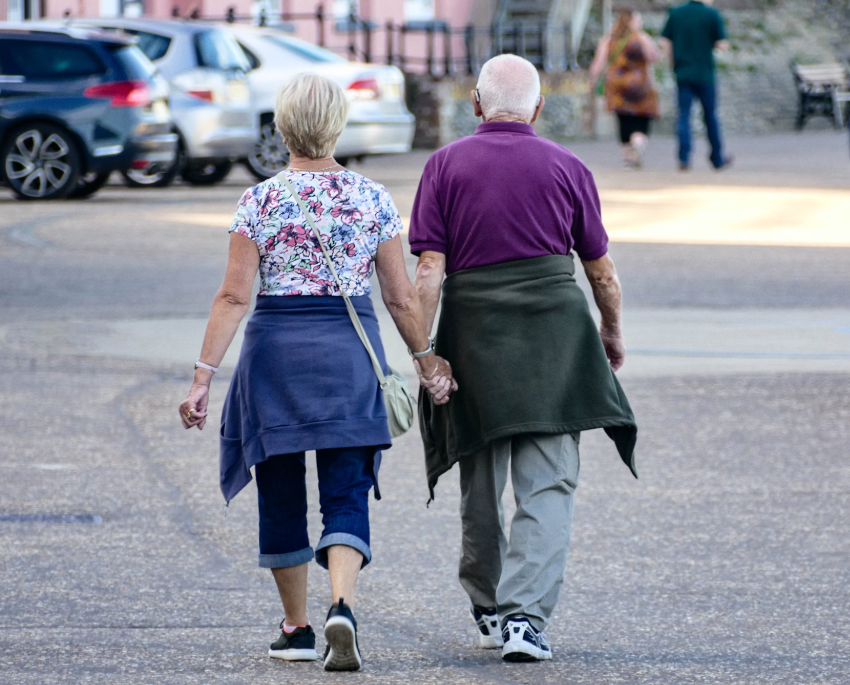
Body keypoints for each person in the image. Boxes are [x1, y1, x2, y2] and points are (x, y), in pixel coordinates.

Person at [178, 74, 455, 672]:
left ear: (282, 128)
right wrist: (426, 361)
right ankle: (343, 607)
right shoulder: (373, 198)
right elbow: (401, 298)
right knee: (347, 491)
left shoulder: (259, 201)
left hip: (274, 363)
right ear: (338, 126)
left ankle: (297, 629)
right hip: (348, 360)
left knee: (280, 493)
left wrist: (202, 377)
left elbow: (234, 297)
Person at [409, 54, 638, 663]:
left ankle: (488, 607)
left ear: (476, 105)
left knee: (480, 479)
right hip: (554, 341)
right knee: (549, 481)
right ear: (538, 108)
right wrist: (611, 332)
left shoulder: (444, 166)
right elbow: (602, 272)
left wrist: (425, 353)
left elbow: (429, 271)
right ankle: (524, 621)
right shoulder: (568, 167)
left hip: (473, 336)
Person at [660, 0, 733, 170]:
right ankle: (717, 157)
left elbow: (664, 42)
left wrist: (673, 63)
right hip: (705, 74)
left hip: (683, 73)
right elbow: (722, 44)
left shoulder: (676, 13)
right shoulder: (711, 14)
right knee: (710, 116)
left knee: (684, 115)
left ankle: (684, 157)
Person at [589, 8, 660, 168]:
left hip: (617, 86)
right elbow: (654, 58)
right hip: (641, 84)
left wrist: (592, 81)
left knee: (623, 119)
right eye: (639, 20)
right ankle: (638, 141)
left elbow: (598, 63)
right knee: (642, 117)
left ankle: (628, 157)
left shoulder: (609, 39)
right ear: (632, 21)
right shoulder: (641, 38)